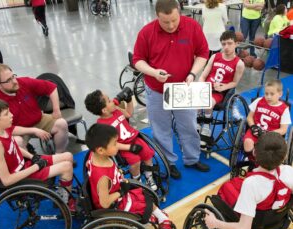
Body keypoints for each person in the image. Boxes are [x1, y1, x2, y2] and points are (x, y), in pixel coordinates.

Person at [133, 0, 210, 179]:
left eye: (174, 20)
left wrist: (192, 74)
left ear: (179, 13)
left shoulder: (192, 26)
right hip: (156, 90)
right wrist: (153, 72)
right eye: (165, 22)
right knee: (161, 129)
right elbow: (137, 60)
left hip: (183, 88)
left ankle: (192, 158)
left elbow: (203, 53)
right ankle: (169, 163)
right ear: (157, 16)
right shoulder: (146, 32)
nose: (171, 25)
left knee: (189, 126)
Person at [85, 123, 174, 229]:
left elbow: (89, 164)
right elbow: (105, 203)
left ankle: (159, 216)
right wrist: (120, 192)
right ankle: (162, 219)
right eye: (114, 144)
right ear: (101, 150)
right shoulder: (102, 177)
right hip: (114, 205)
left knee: (144, 194)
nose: (117, 146)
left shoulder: (93, 155)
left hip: (117, 194)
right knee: (146, 202)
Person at [0, 99, 76, 212]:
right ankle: (66, 205)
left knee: (68, 156)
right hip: (20, 178)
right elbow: (6, 180)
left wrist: (32, 157)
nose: (12, 115)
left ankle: (63, 194)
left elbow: (14, 148)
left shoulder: (3, 129)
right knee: (66, 167)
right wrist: (35, 167)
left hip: (26, 166)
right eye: (7, 114)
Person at [205, 131, 293, 229]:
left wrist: (215, 223)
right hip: (278, 219)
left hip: (257, 224)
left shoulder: (252, 183)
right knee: (237, 183)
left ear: (254, 152)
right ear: (284, 157)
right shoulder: (289, 171)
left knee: (227, 187)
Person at [84, 88, 158, 191]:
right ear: (104, 110)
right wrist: (130, 147)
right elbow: (111, 144)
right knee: (135, 161)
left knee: (147, 153)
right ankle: (137, 180)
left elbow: (128, 114)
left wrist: (129, 101)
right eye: (109, 101)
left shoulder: (116, 110)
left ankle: (149, 176)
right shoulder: (101, 125)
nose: (113, 101)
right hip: (123, 146)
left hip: (134, 137)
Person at [0, 64, 69, 153]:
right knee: (17, 142)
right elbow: (5, 128)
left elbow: (51, 87)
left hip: (38, 120)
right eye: (8, 80)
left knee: (62, 124)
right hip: (17, 129)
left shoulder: (24, 82)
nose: (14, 81)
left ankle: (59, 155)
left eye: (13, 76)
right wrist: (33, 130)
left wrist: (56, 110)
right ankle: (30, 162)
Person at [198, 30, 245, 143]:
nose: (226, 47)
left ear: (236, 44)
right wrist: (201, 83)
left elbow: (234, 83)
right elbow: (203, 75)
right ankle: (198, 122)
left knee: (208, 101)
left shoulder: (239, 63)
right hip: (206, 87)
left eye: (229, 43)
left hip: (219, 92)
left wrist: (223, 87)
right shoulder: (215, 56)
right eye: (224, 44)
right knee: (195, 100)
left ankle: (207, 126)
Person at [243, 79, 291, 157]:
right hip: (255, 131)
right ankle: (252, 160)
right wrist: (253, 126)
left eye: (272, 94)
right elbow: (249, 117)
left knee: (266, 151)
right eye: (266, 94)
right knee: (247, 144)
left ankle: (259, 162)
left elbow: (283, 130)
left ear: (280, 94)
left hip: (271, 135)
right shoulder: (259, 101)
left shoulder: (284, 109)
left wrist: (267, 133)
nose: (268, 97)